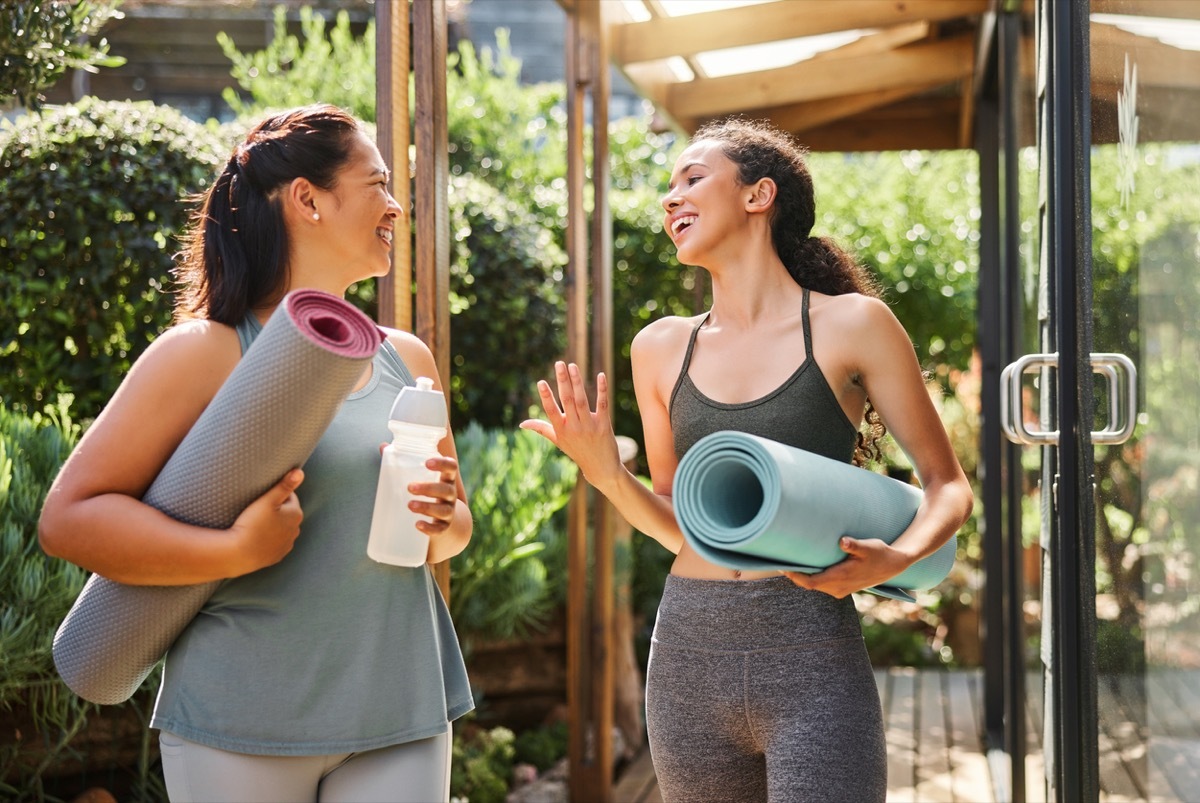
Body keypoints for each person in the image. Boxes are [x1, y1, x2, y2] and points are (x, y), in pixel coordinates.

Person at [521, 117, 973, 802]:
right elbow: (682, 522)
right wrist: (606, 473)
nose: (671, 198)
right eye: (668, 187)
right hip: (688, 653)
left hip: (811, 652)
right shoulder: (661, 347)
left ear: (760, 195)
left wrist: (897, 558)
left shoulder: (852, 324)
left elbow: (949, 486)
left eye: (693, 178)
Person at [38, 104, 474, 802]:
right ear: (308, 199)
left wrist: (443, 513)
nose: (396, 206)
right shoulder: (206, 352)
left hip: (401, 709)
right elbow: (68, 520)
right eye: (379, 184)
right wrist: (235, 551)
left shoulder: (407, 358)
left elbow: (451, 537)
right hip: (240, 720)